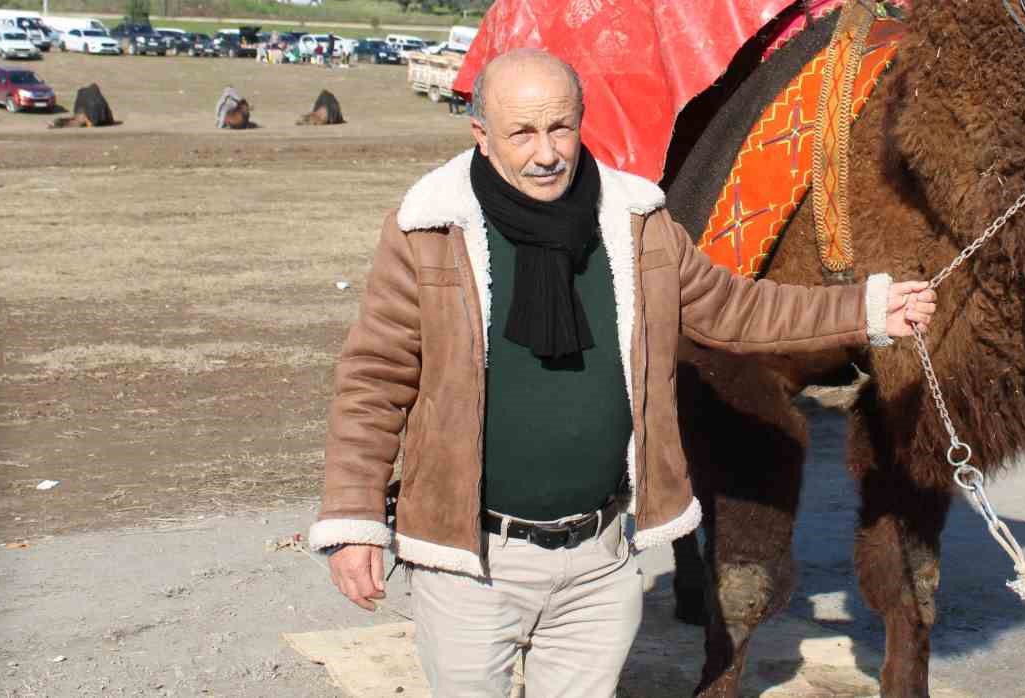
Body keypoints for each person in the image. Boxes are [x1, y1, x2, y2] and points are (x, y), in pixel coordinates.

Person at [309, 48, 936, 698]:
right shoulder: (430, 232)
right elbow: (373, 382)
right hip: (471, 560)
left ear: (582, 122)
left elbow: (737, 309)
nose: (547, 152)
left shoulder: (636, 225)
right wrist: (354, 518)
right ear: (482, 137)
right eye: (522, 133)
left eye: (560, 128)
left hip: (599, 562)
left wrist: (864, 308)